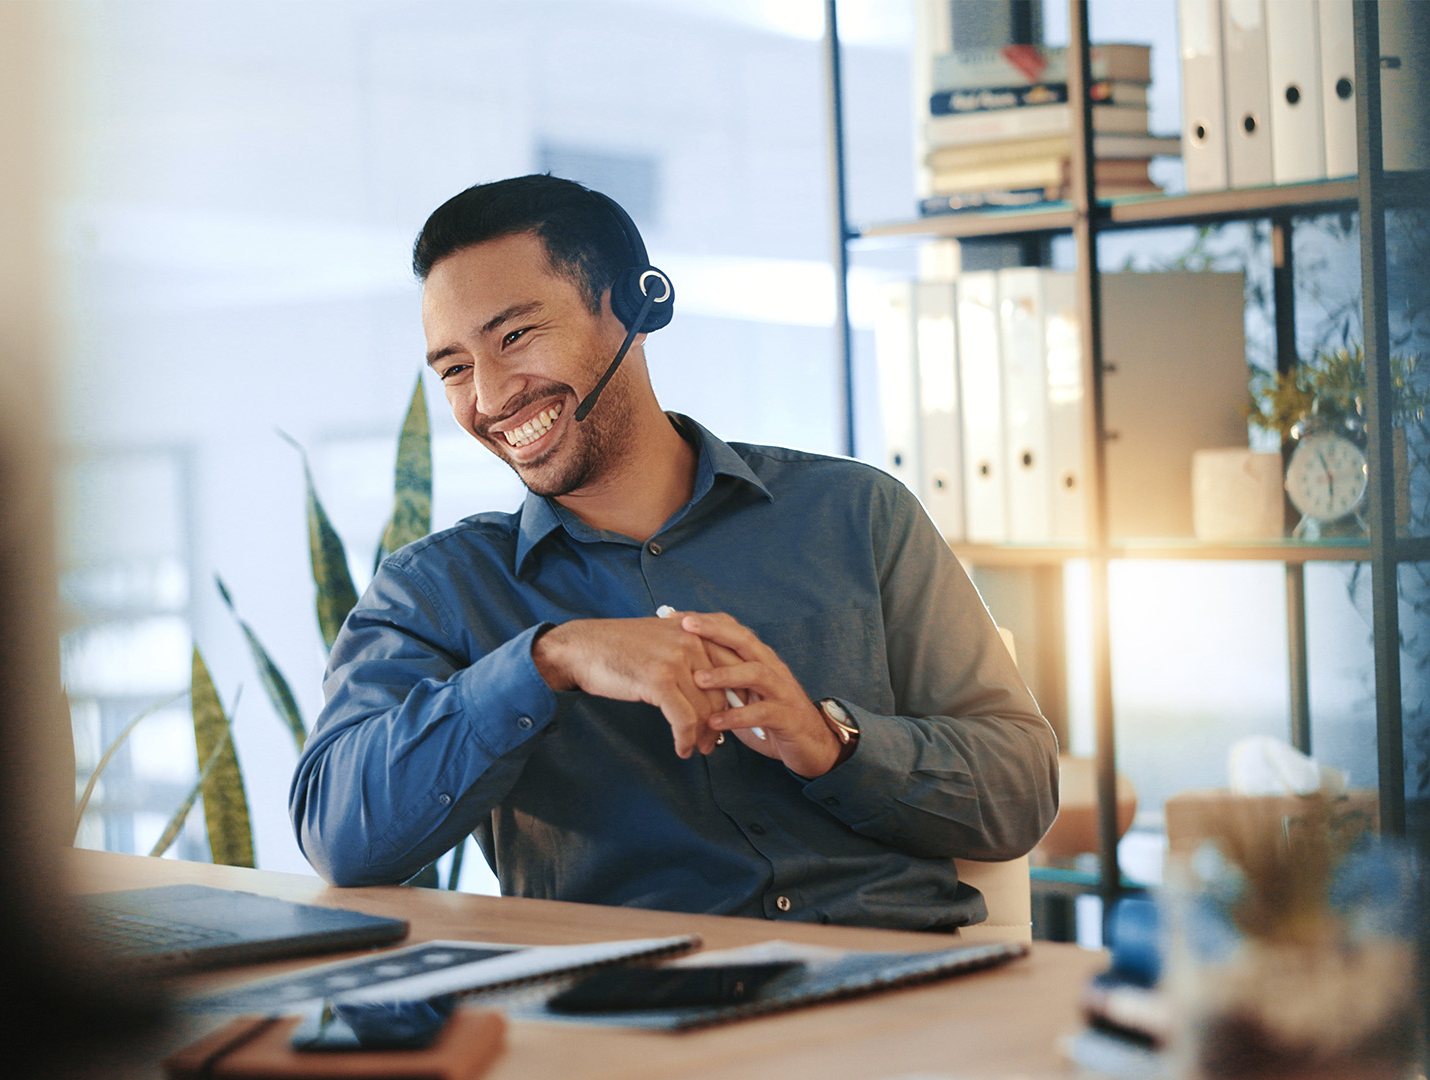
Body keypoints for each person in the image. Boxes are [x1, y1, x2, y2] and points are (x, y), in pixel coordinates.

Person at [289, 175, 1058, 932]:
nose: (489, 398)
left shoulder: (858, 514)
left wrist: (832, 742)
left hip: (899, 980)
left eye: (515, 336)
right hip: (636, 998)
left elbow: (1021, 788)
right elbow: (338, 833)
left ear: (635, 306)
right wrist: (549, 660)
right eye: (456, 368)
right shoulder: (435, 590)